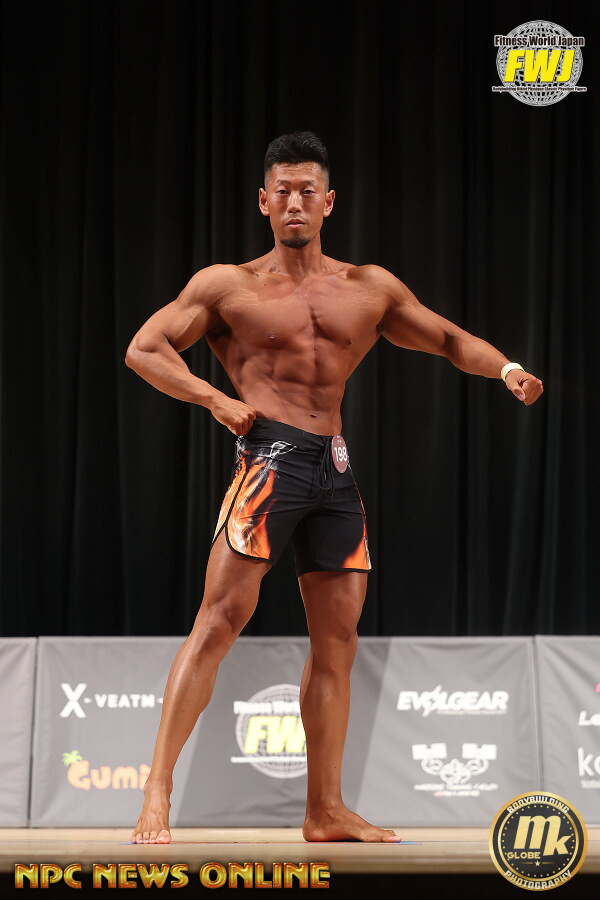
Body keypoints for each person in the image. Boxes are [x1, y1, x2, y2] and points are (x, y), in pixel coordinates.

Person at [126, 131, 543, 844]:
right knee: (219, 621)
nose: (295, 202)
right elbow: (144, 348)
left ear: (329, 202)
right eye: (282, 191)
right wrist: (215, 400)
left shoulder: (368, 287)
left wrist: (506, 369)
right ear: (264, 202)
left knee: (338, 640)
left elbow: (448, 339)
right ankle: (156, 791)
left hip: (335, 471)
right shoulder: (227, 286)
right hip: (268, 462)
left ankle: (324, 809)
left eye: (307, 191)